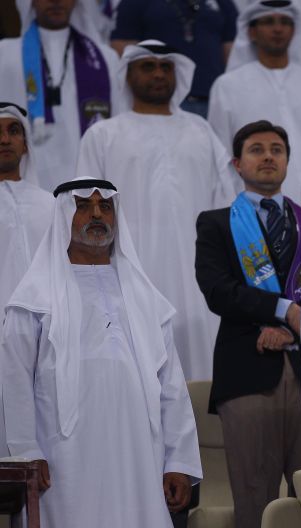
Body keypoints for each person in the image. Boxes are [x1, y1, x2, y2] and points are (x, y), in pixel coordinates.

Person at [2, 176, 202, 528]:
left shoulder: (146, 298)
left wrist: (178, 462)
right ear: (63, 216)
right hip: (62, 462)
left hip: (140, 457)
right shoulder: (33, 297)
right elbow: (14, 382)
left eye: (104, 206)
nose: (96, 214)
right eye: (83, 206)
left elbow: (171, 387)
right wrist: (26, 455)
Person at [195, 120, 301, 528]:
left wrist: (290, 328)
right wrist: (282, 311)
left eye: (277, 149)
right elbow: (217, 289)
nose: (268, 156)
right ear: (237, 164)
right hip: (247, 373)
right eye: (257, 149)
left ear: (288, 161)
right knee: (253, 495)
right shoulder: (215, 223)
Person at [77, 41, 237, 380]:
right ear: (127, 76)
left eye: (166, 67)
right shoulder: (102, 134)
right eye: (147, 67)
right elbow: (87, 211)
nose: (159, 74)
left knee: (205, 366)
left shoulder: (202, 129)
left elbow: (225, 202)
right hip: (132, 269)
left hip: (201, 272)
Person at [208, 0, 301, 202]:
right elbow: (221, 157)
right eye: (268, 21)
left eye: (285, 22)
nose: (278, 28)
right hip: (251, 205)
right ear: (251, 32)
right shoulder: (227, 86)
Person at [0, 0, 120, 192]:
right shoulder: (5, 54)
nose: (56, 1)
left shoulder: (105, 58)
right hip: (23, 180)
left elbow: (117, 129)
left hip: (87, 184)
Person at [0, 102, 55, 460]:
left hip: (47, 341)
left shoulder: (53, 205)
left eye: (13, 131)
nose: (5, 139)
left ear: (25, 144)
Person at [110, 0, 237, 117]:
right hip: (160, 101)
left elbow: (233, 55)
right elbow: (124, 52)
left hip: (213, 99)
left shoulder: (223, 3)